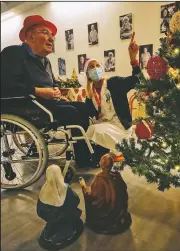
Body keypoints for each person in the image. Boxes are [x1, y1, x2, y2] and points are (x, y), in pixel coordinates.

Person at [1, 15, 93, 168]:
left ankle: (86, 152)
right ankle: (84, 158)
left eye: (52, 35)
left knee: (82, 107)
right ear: (30, 36)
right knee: (72, 112)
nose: (51, 38)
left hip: (43, 105)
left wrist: (56, 90)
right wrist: (38, 91)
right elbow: (6, 84)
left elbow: (51, 82)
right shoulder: (13, 54)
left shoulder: (45, 60)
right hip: (23, 107)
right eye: (45, 33)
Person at [79, 32, 140, 162]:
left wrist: (133, 59)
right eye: (91, 67)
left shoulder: (114, 82)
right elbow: (90, 113)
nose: (95, 69)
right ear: (88, 73)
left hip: (120, 126)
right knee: (91, 129)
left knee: (94, 130)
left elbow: (137, 80)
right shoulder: (90, 95)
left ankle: (126, 147)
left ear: (102, 68)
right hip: (107, 126)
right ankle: (119, 150)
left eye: (97, 66)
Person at [79, 153, 132, 234]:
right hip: (119, 209)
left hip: (106, 212)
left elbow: (94, 197)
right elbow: (123, 189)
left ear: (101, 165)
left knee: (88, 197)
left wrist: (83, 186)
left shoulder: (99, 179)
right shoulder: (117, 175)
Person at [37, 164, 84, 250]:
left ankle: (49, 231)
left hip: (48, 216)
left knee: (55, 218)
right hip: (62, 217)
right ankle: (62, 235)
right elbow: (76, 200)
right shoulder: (65, 188)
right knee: (72, 215)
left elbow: (40, 208)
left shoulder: (44, 188)